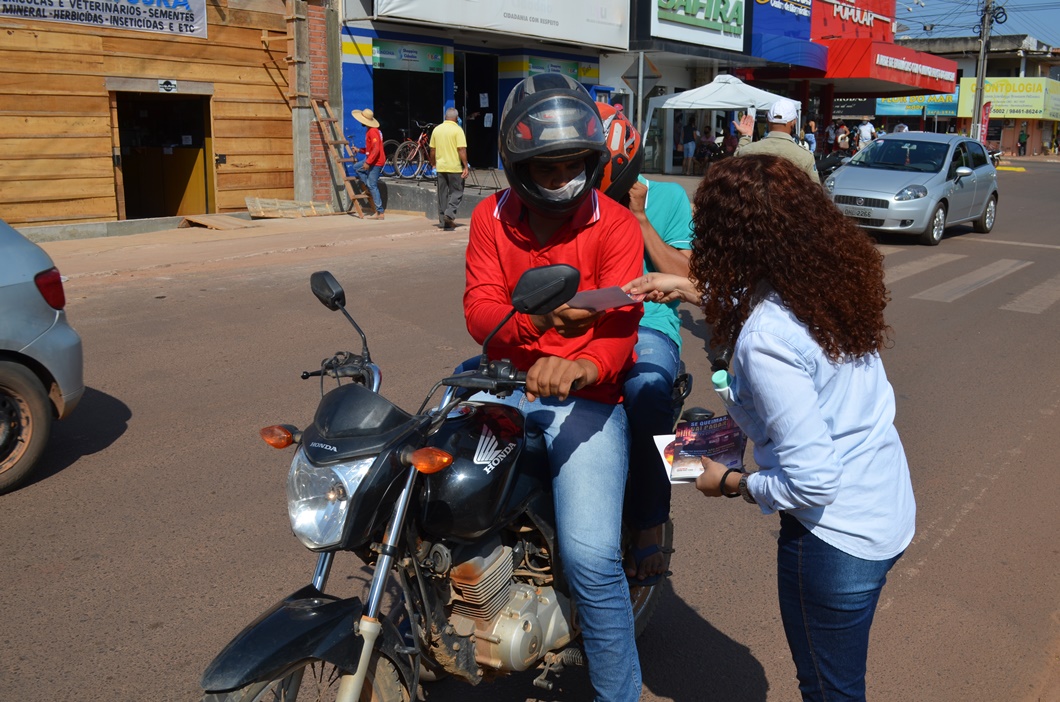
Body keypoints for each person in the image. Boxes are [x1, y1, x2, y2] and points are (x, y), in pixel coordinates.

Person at [624, 154, 915, 702]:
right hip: (886, 506)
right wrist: (691, 291)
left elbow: (814, 481)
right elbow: (769, 307)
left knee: (829, 689)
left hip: (836, 540)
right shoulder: (825, 286)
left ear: (729, 240)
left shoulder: (767, 340)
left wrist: (730, 483)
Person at [464, 74, 644, 702]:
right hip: (508, 380)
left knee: (594, 561)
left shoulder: (616, 224)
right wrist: (538, 322)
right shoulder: (489, 217)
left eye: (572, 162)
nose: (561, 174)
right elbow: (480, 310)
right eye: (547, 165)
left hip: (589, 399)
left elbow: (621, 326)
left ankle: (617, 693)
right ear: (519, 165)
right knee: (432, 486)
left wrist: (583, 367)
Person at [596, 103, 693, 586]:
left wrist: (636, 215)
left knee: (649, 391)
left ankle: (651, 524)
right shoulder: (582, 202)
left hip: (651, 322)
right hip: (592, 316)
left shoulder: (671, 198)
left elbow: (683, 275)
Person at [734, 98, 817, 182]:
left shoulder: (747, 151)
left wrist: (745, 137)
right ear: (793, 122)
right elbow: (816, 191)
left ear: (767, 121)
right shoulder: (805, 157)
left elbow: (733, 173)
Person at [428, 107, 470, 230]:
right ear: (456, 118)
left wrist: (433, 163)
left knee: (442, 194)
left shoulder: (437, 129)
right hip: (455, 167)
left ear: (445, 117)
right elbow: (461, 149)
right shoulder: (458, 130)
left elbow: (432, 149)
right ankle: (449, 214)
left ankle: (443, 221)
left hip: (441, 167)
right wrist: (465, 166)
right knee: (457, 192)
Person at [350, 108, 386, 220]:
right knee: (357, 168)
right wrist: (359, 150)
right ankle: (369, 187)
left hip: (376, 162)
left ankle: (380, 212)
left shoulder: (373, 132)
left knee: (372, 185)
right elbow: (370, 149)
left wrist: (368, 162)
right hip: (372, 160)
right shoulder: (370, 131)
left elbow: (375, 149)